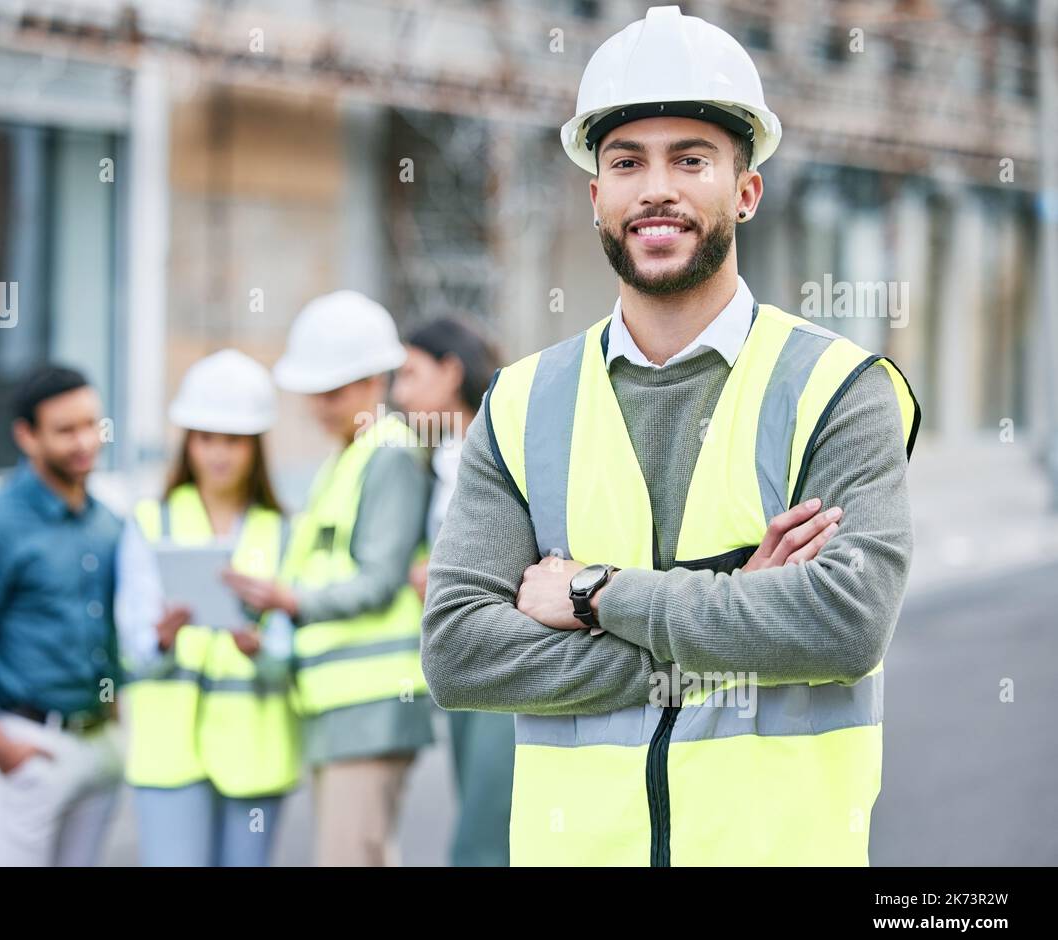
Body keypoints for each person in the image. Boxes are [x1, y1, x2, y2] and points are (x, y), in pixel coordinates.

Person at [421, 5, 921, 866]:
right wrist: (732, 618)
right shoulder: (521, 401)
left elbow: (843, 622)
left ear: (746, 190)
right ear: (597, 197)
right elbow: (461, 650)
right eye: (627, 162)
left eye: (691, 159)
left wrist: (593, 594)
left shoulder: (840, 390)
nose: (657, 188)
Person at [223, 290, 433, 867]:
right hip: (338, 704)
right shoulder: (344, 462)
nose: (319, 407)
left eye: (333, 392)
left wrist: (290, 599)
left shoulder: (389, 455)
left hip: (371, 702)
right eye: (313, 394)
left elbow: (379, 580)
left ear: (374, 382)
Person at [0, 365, 124, 867]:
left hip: (99, 746)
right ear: (26, 436)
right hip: (27, 747)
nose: (85, 442)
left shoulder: (109, 523)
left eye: (92, 425)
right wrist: (0, 745)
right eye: (65, 430)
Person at [116, 349, 299, 867]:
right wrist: (162, 638)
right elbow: (131, 646)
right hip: (169, 754)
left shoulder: (284, 530)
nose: (219, 453)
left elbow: (293, 652)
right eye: (206, 437)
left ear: (255, 447)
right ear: (188, 442)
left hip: (254, 752)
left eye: (234, 440)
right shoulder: (149, 522)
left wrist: (259, 649)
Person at [391, 315, 512, 867]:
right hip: (459, 666)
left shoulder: (508, 443)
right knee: (476, 808)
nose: (398, 393)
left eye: (411, 374)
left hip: (505, 660)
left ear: (450, 371)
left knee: (483, 835)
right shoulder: (436, 460)